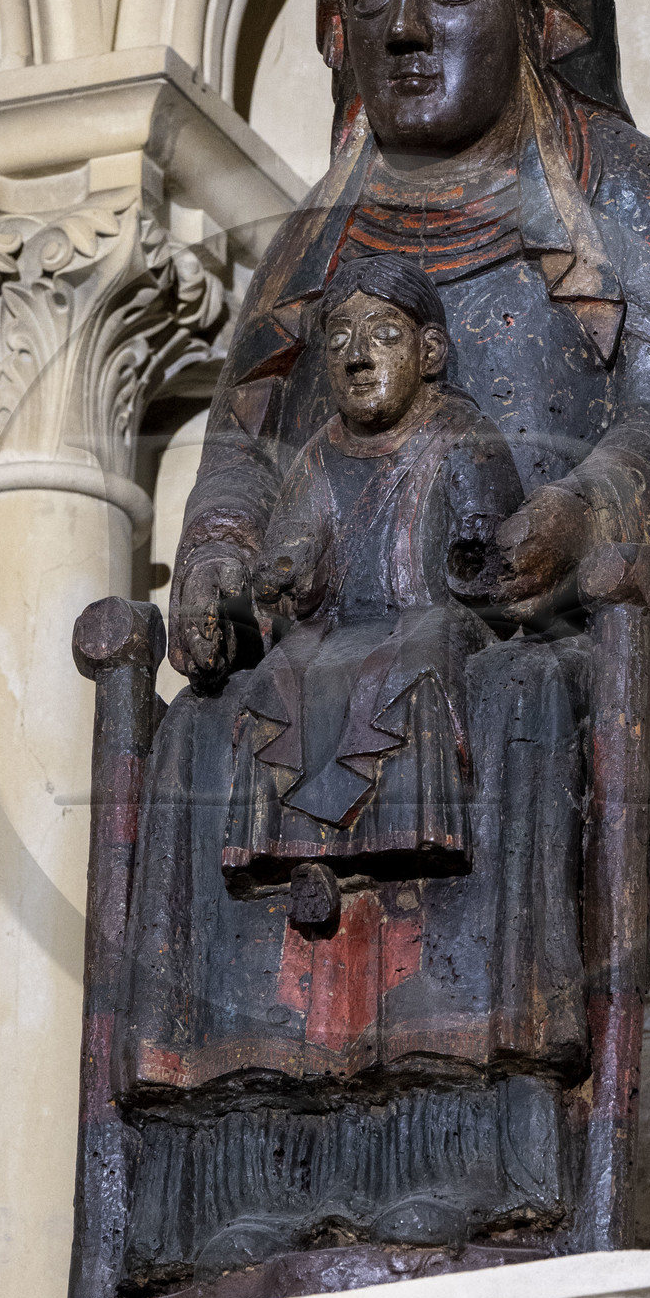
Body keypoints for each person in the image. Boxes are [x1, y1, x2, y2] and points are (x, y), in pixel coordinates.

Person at [108, 0, 650, 1298]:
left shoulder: (631, 202)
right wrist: (217, 558)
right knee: (209, 732)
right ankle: (239, 1185)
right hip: (342, 634)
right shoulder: (312, 247)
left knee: (504, 709)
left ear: (540, 17)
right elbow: (244, 450)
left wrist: (581, 517)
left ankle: (483, 1163)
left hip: (540, 646)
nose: (403, 28)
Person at [224, 253, 523, 906]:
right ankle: (288, 848)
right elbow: (295, 545)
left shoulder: (461, 433)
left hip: (435, 618)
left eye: (384, 336)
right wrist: (283, 572)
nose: (357, 358)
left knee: (414, 662)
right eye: (338, 342)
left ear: (430, 351)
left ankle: (408, 832)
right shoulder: (320, 452)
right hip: (336, 627)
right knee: (275, 678)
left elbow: (490, 551)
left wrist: (477, 551)